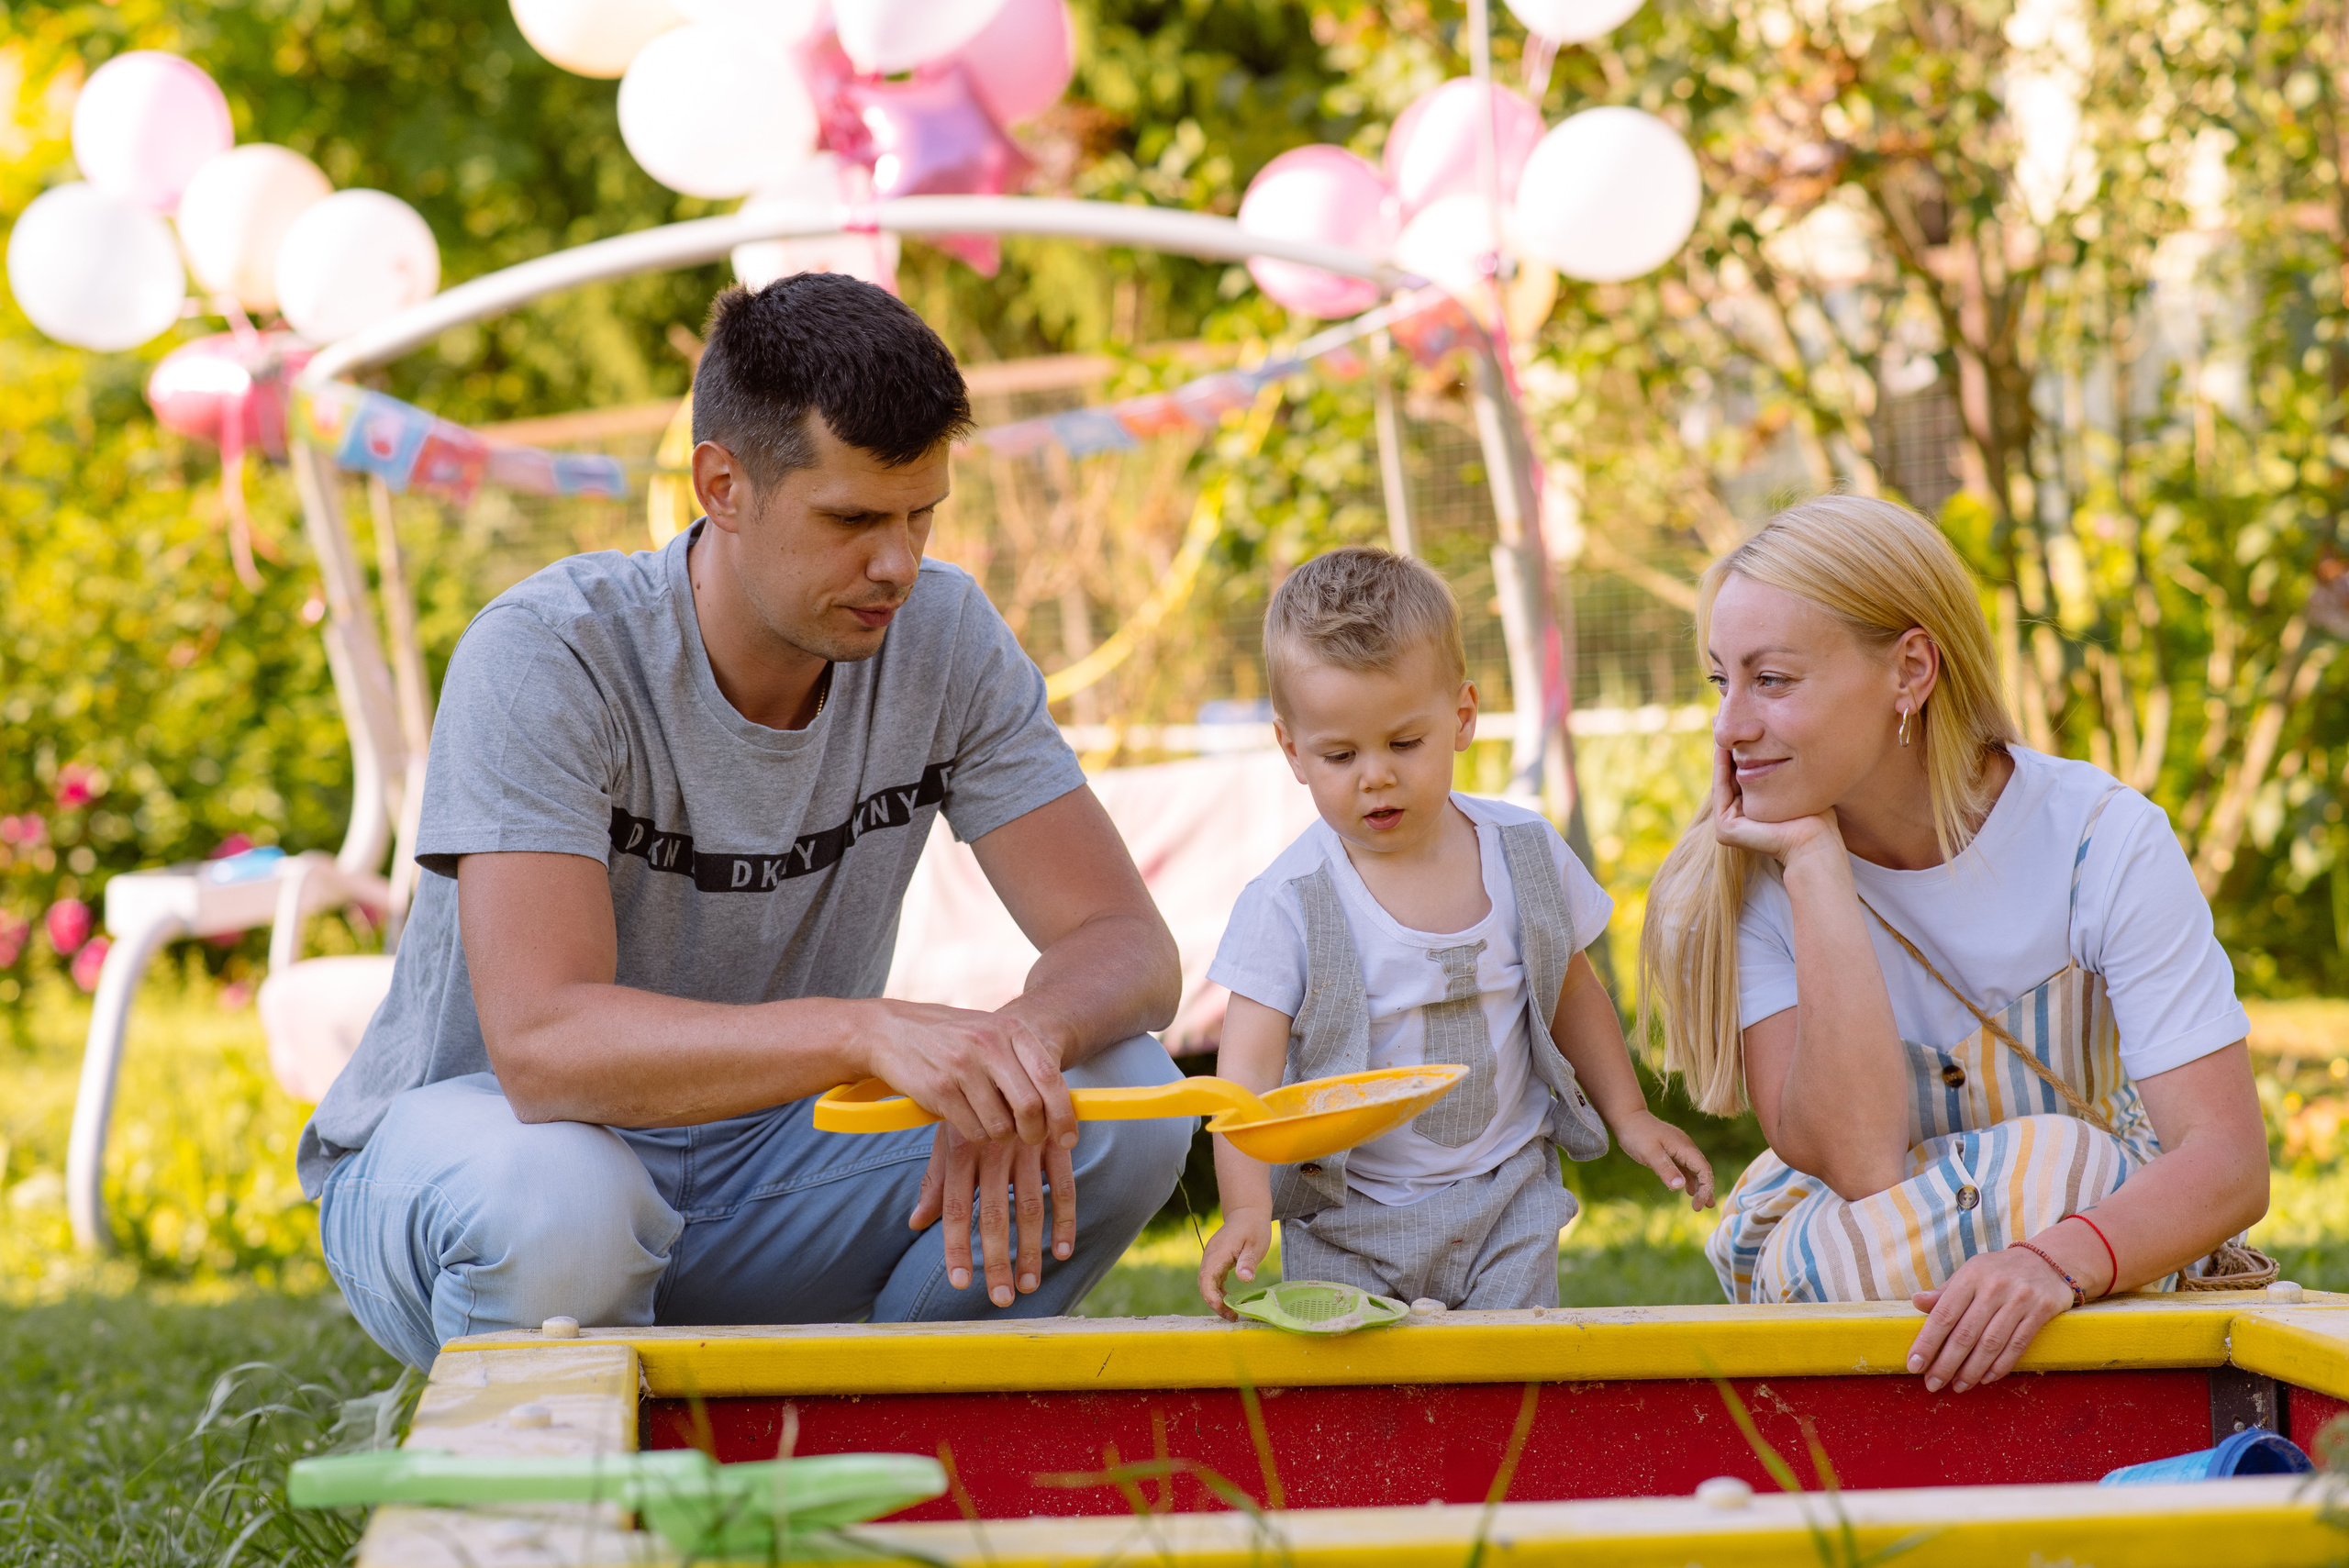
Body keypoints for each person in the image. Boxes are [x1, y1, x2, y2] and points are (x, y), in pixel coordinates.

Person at [299, 273, 1193, 1370]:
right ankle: (544, 1512)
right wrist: (859, 1030)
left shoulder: (944, 636)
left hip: (776, 1168)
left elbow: (1128, 946)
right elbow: (544, 1048)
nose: (898, 564)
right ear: (722, 484)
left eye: (921, 515)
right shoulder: (550, 652)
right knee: (563, 1196)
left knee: (1126, 1099)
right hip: (497, 1157)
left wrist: (1018, 1050)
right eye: (853, 519)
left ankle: (868, 1471)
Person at [1642, 495, 2273, 1396]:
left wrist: (2051, 1261)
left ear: (1909, 669)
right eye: (1720, 682)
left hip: (2082, 1231)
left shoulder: (2097, 837)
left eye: (1771, 680)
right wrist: (1815, 866)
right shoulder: (1755, 874)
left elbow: (2225, 1161)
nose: (1729, 727)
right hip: (1877, 1233)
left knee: (2066, 1166)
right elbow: (1861, 1163)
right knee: (1810, 1258)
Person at [1196, 548, 1715, 1315]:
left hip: (1506, 1193)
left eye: (1405, 743)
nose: (1375, 774)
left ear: (1463, 715)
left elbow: (1572, 989)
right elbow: (1245, 1079)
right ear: (1292, 750)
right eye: (1340, 754)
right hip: (1348, 1216)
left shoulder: (1524, 854)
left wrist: (1628, 1111)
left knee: (1503, 1393)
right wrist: (1244, 1206)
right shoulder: (1289, 902)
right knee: (1368, 1411)